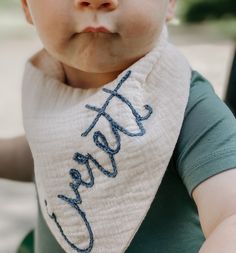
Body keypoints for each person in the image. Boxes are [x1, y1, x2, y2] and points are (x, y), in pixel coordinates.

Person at [1, 0, 236, 252]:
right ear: (26, 5)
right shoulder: (48, 85)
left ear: (169, 3)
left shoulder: (184, 103)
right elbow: (49, 155)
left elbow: (230, 217)